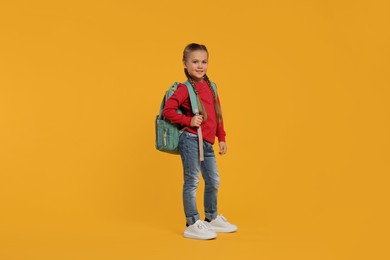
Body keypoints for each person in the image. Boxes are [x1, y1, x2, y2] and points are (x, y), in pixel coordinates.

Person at [163, 43, 238, 240]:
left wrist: (221, 138)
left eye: (203, 61)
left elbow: (218, 114)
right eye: (195, 61)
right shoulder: (184, 88)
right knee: (192, 181)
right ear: (185, 64)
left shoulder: (211, 86)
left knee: (214, 180)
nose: (200, 65)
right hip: (190, 139)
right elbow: (167, 111)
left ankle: (211, 218)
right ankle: (191, 222)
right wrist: (188, 120)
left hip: (207, 143)